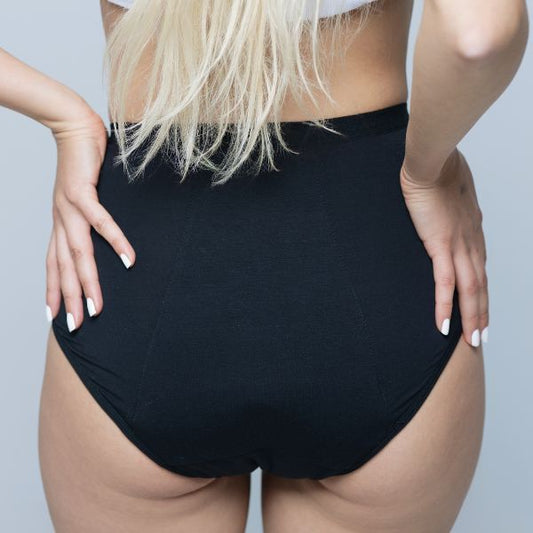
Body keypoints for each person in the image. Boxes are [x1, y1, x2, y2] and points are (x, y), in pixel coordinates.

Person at [1, 0, 528, 531]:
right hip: (374, 262)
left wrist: (66, 120)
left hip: (141, 269)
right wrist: (428, 175)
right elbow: (478, 32)